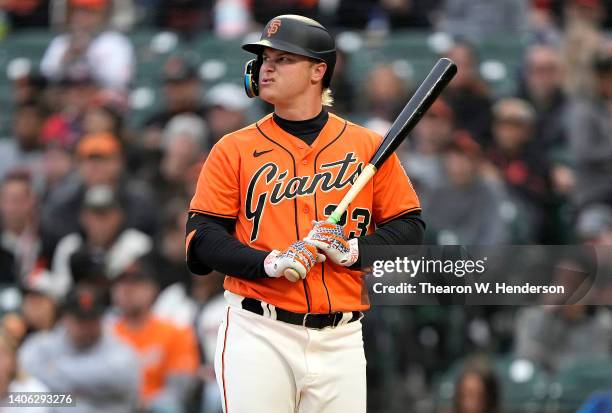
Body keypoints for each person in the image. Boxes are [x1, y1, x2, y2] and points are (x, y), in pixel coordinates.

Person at [186, 14, 425, 413]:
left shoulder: (367, 145)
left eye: (283, 59)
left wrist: (354, 250)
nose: (267, 68)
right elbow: (202, 239)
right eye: (265, 59)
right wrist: (269, 262)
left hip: (342, 337)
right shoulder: (234, 148)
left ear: (319, 70)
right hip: (259, 331)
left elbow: (410, 229)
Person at [18, 287, 140, 413]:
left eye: (92, 319)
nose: (86, 326)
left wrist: (53, 373)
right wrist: (81, 395)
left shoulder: (122, 351)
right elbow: (21, 397)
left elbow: (116, 376)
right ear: (65, 318)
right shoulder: (39, 345)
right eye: (80, 320)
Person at [110, 256, 200, 413]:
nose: (127, 289)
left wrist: (142, 403)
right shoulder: (102, 332)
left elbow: (181, 388)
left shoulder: (175, 331)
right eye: (122, 283)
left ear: (152, 290)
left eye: (136, 283)